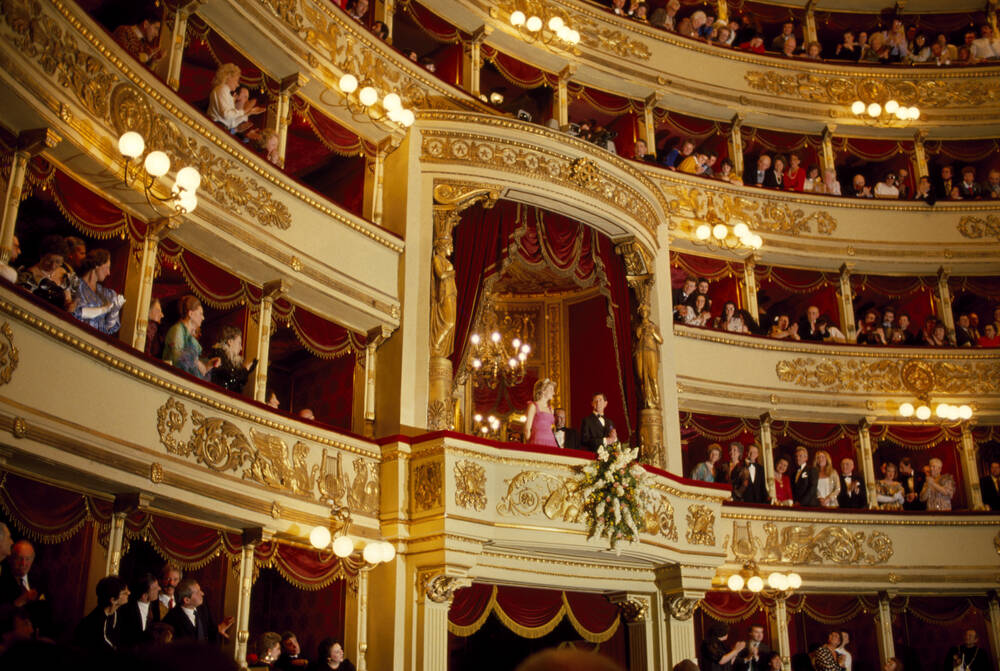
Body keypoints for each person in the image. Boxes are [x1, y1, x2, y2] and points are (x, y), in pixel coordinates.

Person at [163, 295, 222, 379]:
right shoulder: (177, 330)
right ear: (190, 314)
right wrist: (197, 362)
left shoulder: (190, 336)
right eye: (200, 314)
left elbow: (200, 369)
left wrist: (209, 364)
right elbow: (177, 358)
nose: (203, 317)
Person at [162, 578, 234, 643]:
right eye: (197, 592)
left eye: (200, 590)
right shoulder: (171, 620)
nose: (202, 593)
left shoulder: (202, 608)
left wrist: (219, 628)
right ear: (187, 600)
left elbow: (208, 631)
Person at [71, 249, 125, 335]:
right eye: (107, 267)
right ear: (96, 265)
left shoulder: (106, 294)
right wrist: (104, 309)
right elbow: (75, 312)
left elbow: (107, 329)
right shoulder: (76, 285)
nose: (109, 273)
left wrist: (114, 311)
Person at [72, 575, 129, 655]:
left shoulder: (117, 613)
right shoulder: (94, 623)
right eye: (125, 593)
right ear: (113, 600)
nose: (129, 593)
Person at [17, 234, 72, 309]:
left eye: (58, 262)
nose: (53, 266)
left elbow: (67, 300)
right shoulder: (29, 275)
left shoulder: (64, 275)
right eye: (49, 261)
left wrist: (70, 305)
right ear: (41, 256)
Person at [208, 63, 265, 133]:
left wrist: (250, 112)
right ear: (228, 77)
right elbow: (226, 115)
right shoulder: (222, 89)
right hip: (216, 127)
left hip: (221, 128)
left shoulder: (226, 92)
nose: (237, 84)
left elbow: (231, 123)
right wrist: (245, 111)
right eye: (236, 80)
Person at [118, 572, 161, 648]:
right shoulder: (127, 612)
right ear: (144, 596)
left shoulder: (157, 606)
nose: (159, 588)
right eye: (155, 588)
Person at [209, 325, 256, 393]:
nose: (241, 348)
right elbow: (231, 379)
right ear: (230, 342)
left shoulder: (232, 362)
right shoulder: (219, 355)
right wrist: (245, 370)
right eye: (239, 343)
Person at [524, 378, 558, 447]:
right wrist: (530, 445)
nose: (554, 393)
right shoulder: (533, 406)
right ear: (543, 390)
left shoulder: (551, 409)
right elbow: (527, 429)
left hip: (551, 442)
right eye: (551, 389)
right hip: (537, 441)